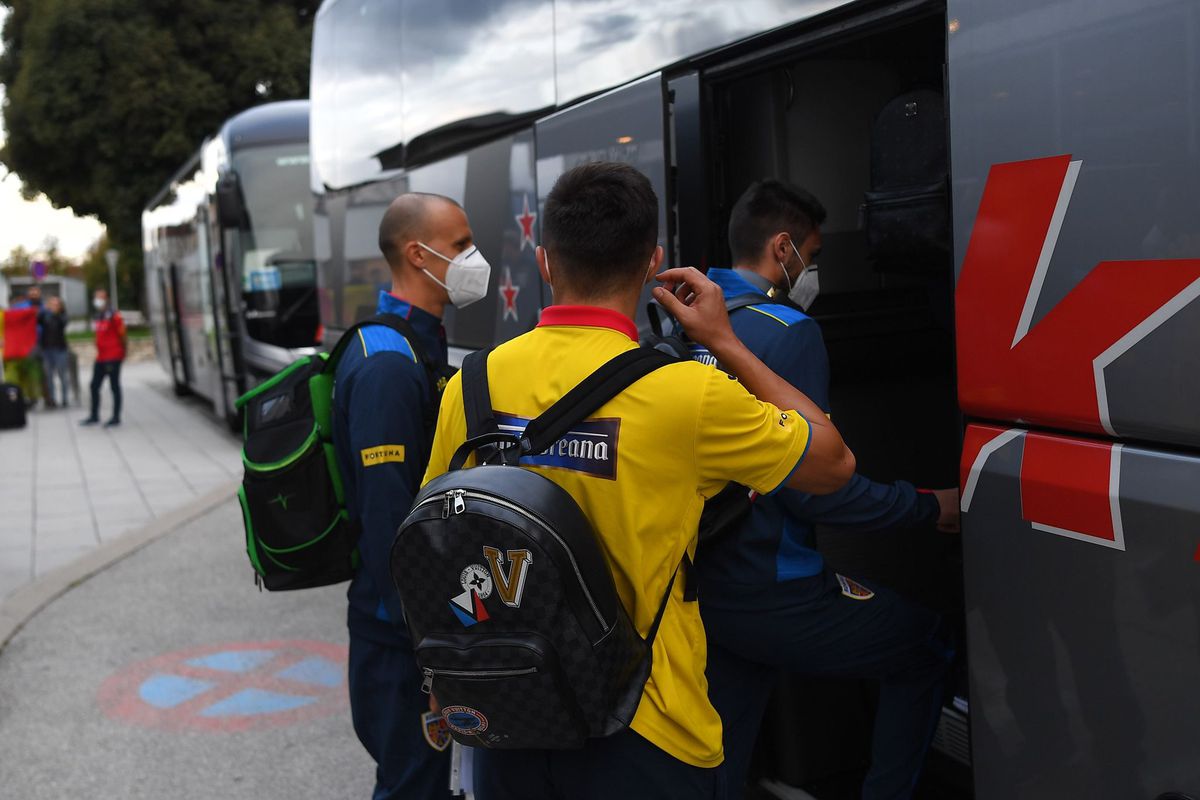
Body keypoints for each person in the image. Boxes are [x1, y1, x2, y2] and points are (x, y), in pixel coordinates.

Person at [422, 162, 856, 800]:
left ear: (545, 263)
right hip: (647, 727)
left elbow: (436, 542)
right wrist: (727, 341)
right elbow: (833, 463)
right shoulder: (689, 394)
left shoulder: (473, 384)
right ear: (653, 264)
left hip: (510, 713)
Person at [697, 179, 958, 800]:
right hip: (775, 585)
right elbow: (819, 486)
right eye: (810, 256)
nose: (811, 271)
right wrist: (928, 508)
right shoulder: (787, 330)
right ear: (782, 247)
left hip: (702, 586)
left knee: (721, 752)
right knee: (925, 646)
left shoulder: (684, 319)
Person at [332, 192, 488, 800]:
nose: (474, 257)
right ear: (416, 254)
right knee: (412, 786)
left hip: (407, 626)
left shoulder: (407, 345)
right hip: (399, 636)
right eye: (459, 245)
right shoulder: (388, 366)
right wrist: (427, 645)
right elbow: (388, 519)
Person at [80, 289, 125, 427]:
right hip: (101, 357)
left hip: (113, 356)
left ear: (107, 299)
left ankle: (116, 417)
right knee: (94, 386)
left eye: (101, 297)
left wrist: (122, 352)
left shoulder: (114, 315)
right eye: (96, 297)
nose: (98, 300)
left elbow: (122, 334)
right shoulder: (99, 316)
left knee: (114, 386)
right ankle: (94, 415)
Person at [3, 290, 41, 407]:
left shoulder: (4, 315)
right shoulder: (31, 312)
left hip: (10, 352)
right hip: (27, 352)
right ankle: (31, 399)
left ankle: (13, 400)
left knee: (12, 380)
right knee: (29, 378)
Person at [39, 295, 70, 408]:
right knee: (48, 376)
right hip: (47, 350)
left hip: (60, 349)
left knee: (62, 375)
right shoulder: (44, 315)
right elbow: (37, 319)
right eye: (51, 304)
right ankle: (51, 399)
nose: (53, 306)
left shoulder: (62, 315)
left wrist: (55, 313)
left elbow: (63, 323)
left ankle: (65, 399)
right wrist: (45, 310)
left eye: (56, 304)